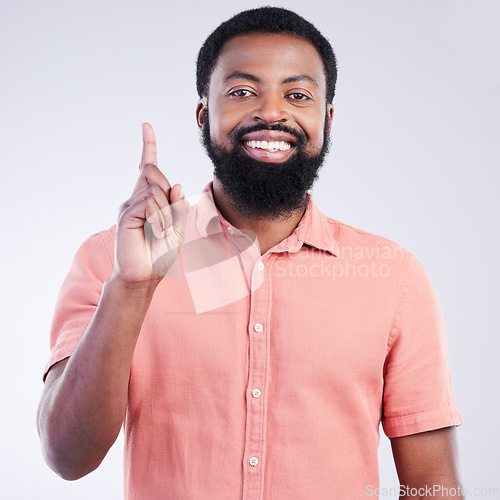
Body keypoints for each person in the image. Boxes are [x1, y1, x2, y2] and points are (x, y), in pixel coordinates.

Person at [37, 7, 463, 499]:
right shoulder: (111, 260)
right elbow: (66, 457)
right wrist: (131, 289)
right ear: (203, 114)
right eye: (242, 92)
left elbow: (432, 483)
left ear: (325, 119)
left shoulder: (395, 278)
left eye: (297, 94)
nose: (272, 111)